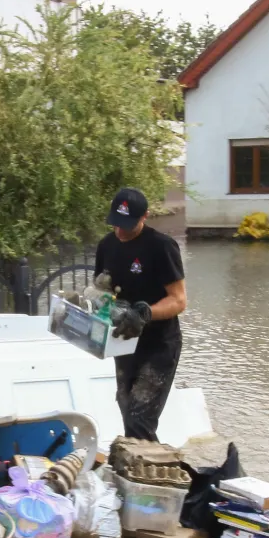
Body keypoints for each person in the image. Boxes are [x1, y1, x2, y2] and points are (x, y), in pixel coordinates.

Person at [94, 186, 187, 441]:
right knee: (126, 410)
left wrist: (144, 313)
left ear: (145, 216)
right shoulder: (106, 246)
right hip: (124, 341)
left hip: (159, 344)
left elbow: (178, 301)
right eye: (116, 223)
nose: (120, 231)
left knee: (139, 417)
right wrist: (101, 301)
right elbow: (102, 292)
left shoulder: (161, 247)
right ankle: (141, 465)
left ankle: (149, 473)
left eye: (127, 224)